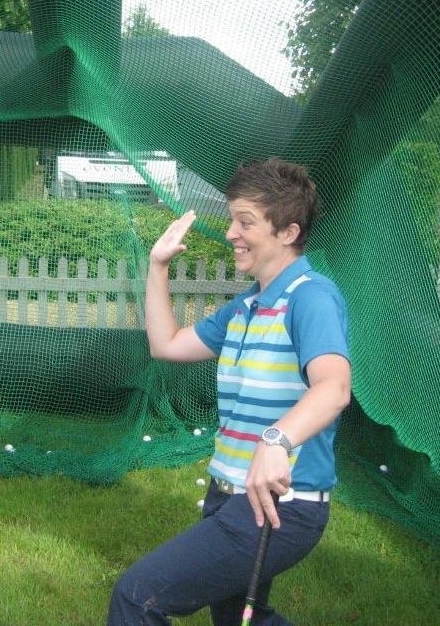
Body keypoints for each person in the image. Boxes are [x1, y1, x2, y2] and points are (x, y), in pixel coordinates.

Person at [108, 158, 352, 626]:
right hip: (230, 495)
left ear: (287, 232)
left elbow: (334, 387)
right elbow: (168, 344)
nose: (231, 233)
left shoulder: (310, 297)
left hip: (281, 503)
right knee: (242, 620)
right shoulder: (247, 307)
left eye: (246, 222)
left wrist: (276, 441)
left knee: (138, 597)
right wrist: (157, 267)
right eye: (232, 219)